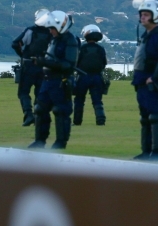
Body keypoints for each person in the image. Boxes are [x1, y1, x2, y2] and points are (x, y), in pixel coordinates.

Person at [28, 10, 78, 150]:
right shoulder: (54, 39)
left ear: (60, 26)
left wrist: (44, 62)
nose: (50, 31)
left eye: (52, 28)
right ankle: (39, 141)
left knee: (60, 111)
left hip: (61, 82)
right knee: (40, 109)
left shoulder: (70, 41)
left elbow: (68, 65)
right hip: (47, 80)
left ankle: (60, 143)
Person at [131, 0, 158, 161]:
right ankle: (146, 151)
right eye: (141, 14)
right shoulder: (147, 35)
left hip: (154, 83)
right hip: (142, 81)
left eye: (146, 15)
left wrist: (155, 78)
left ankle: (157, 152)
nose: (142, 17)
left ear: (156, 16)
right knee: (145, 117)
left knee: (155, 116)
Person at [11, 9, 51, 127]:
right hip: (44, 67)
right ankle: (38, 116)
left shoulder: (30, 30)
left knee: (23, 92)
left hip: (28, 66)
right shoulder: (51, 33)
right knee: (40, 93)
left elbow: (15, 43)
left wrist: (22, 55)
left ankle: (28, 114)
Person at [73, 24, 108, 126]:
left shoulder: (82, 48)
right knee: (97, 100)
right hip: (97, 77)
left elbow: (76, 62)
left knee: (79, 100)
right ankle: (100, 120)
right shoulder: (100, 49)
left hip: (82, 77)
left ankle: (77, 121)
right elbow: (104, 63)